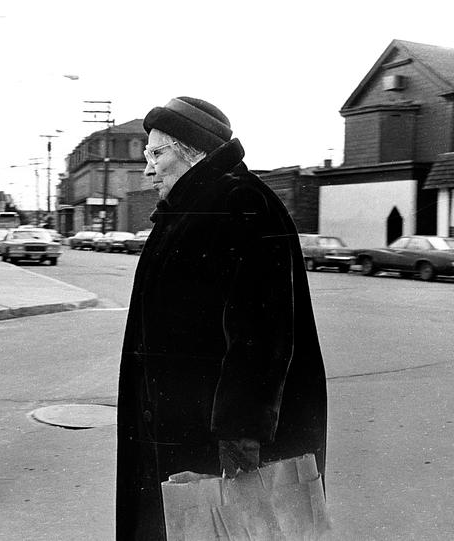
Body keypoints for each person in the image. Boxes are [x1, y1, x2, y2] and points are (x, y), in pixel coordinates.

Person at [116, 97, 327, 539]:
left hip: (218, 439)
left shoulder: (240, 202)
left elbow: (263, 330)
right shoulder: (186, 210)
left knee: (227, 527)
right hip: (181, 427)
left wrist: (241, 434)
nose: (147, 170)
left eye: (157, 154)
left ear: (193, 153)